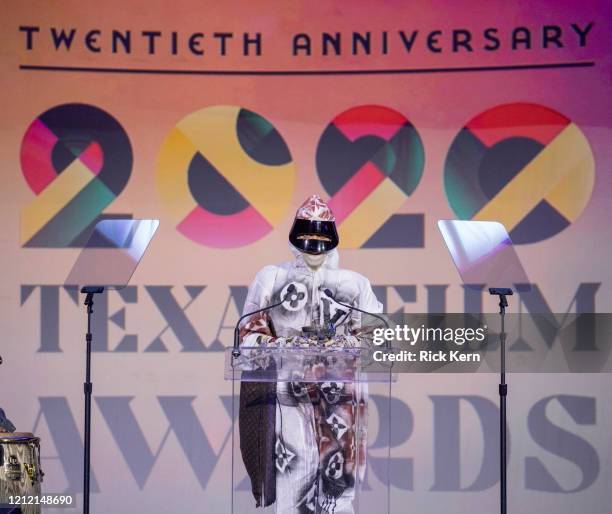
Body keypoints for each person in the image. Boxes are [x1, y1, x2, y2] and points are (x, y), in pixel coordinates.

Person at [239, 195, 382, 514]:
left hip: (340, 405)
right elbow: (247, 338)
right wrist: (285, 347)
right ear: (294, 236)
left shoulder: (354, 286)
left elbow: (377, 340)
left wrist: (341, 346)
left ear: (332, 239)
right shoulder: (272, 279)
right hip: (289, 404)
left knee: (338, 498)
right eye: (306, 237)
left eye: (320, 238)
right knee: (294, 491)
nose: (313, 244)